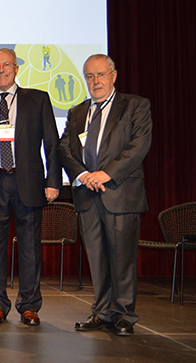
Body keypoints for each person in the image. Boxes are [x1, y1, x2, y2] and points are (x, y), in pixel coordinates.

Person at [0, 48, 61, 326]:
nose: (1, 70)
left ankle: (29, 305)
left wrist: (54, 181)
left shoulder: (37, 100)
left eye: (6, 65)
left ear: (16, 68)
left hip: (28, 183)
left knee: (30, 248)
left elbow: (52, 144)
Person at [58, 54, 152, 336]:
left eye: (100, 74)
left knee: (122, 258)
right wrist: (85, 175)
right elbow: (65, 149)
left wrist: (106, 173)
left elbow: (139, 144)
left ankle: (124, 314)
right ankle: (101, 312)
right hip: (87, 194)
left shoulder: (135, 105)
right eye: (89, 76)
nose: (95, 81)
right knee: (96, 259)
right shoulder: (77, 112)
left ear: (114, 75)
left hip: (120, 192)